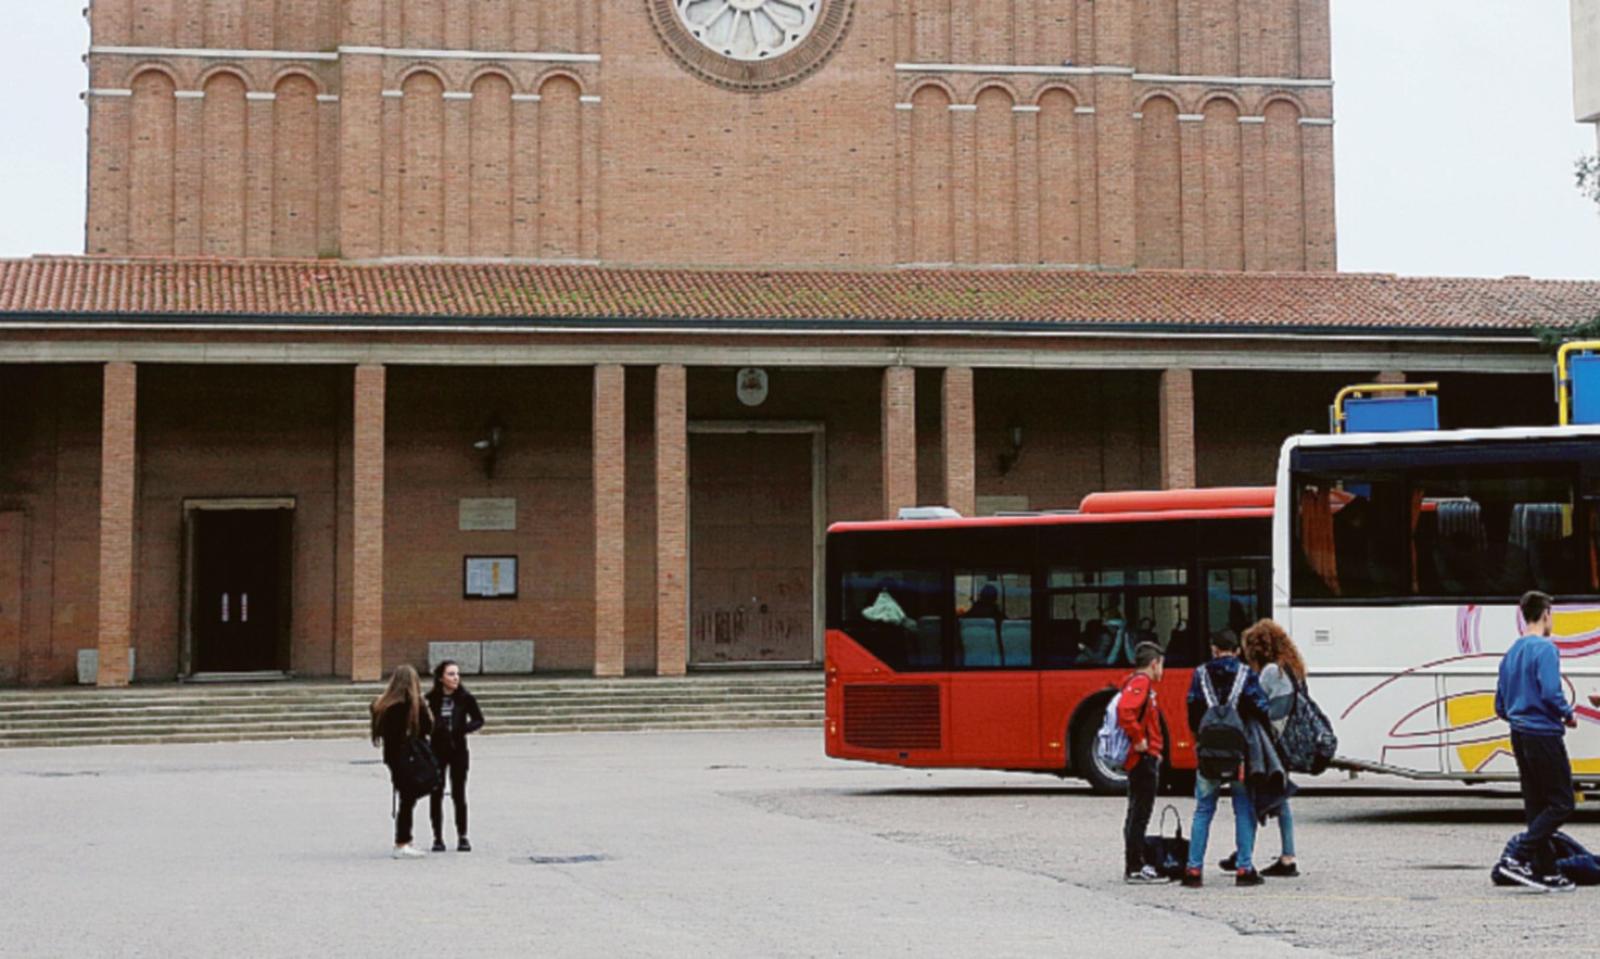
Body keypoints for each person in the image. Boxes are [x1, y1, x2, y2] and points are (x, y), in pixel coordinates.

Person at [1492, 590, 1578, 892]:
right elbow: (1551, 692)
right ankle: (1517, 854)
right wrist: (1567, 714)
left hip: (1519, 733)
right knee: (1562, 802)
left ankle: (1547, 870)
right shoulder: (1545, 649)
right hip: (1543, 732)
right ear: (1545, 615)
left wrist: (1520, 715)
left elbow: (1499, 705)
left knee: (1536, 803)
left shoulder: (1511, 652)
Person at [1183, 629, 1271, 888]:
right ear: (1237, 650)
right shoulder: (1246, 675)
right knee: (1243, 808)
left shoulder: (1200, 675)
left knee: (1203, 809)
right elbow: (1261, 707)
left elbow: (1192, 709)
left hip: (1208, 751)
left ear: (1214, 649)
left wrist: (1201, 737)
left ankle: (1193, 869)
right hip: (1239, 753)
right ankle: (1244, 868)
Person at [1220, 619, 1306, 878]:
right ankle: (1276, 854)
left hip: (1271, 745)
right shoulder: (1292, 668)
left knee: (1258, 796)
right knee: (1277, 799)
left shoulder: (1270, 672)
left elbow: (1258, 706)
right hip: (1285, 741)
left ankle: (1261, 855)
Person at [370, 664, 434, 859]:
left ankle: (404, 839)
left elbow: (381, 732)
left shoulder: (383, 704)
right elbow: (427, 728)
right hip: (410, 756)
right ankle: (402, 842)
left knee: (406, 797)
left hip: (393, 757)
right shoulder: (412, 705)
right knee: (409, 798)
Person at [1120, 641, 1168, 884]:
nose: (1162, 671)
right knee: (1140, 812)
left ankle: (1134, 863)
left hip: (1144, 757)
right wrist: (1140, 740)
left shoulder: (1135, 682)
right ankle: (1135, 866)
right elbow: (1125, 711)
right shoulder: (1141, 683)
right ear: (1154, 663)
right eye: (1161, 665)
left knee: (1136, 811)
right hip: (1142, 758)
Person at [426, 659, 485, 852]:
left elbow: (478, 719)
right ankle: (437, 837)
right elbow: (422, 721)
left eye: (457, 674)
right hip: (437, 750)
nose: (455, 678)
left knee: (459, 793)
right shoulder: (431, 698)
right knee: (436, 793)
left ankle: (462, 836)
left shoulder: (465, 697)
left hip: (458, 750)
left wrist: (462, 729)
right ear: (441, 678)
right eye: (451, 674)